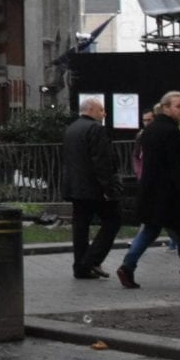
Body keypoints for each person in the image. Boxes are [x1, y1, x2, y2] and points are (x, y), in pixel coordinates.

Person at [117, 90, 180, 290]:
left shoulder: (150, 131)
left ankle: (128, 265)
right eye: (179, 106)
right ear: (166, 107)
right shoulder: (171, 132)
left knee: (150, 230)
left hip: (151, 193)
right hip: (171, 196)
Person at [62, 98, 121, 280]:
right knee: (113, 220)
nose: (104, 114)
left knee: (80, 227)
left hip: (75, 188)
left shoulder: (71, 129)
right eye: (101, 110)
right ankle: (90, 261)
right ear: (91, 109)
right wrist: (109, 188)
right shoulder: (95, 129)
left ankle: (80, 267)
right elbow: (102, 161)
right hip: (93, 188)